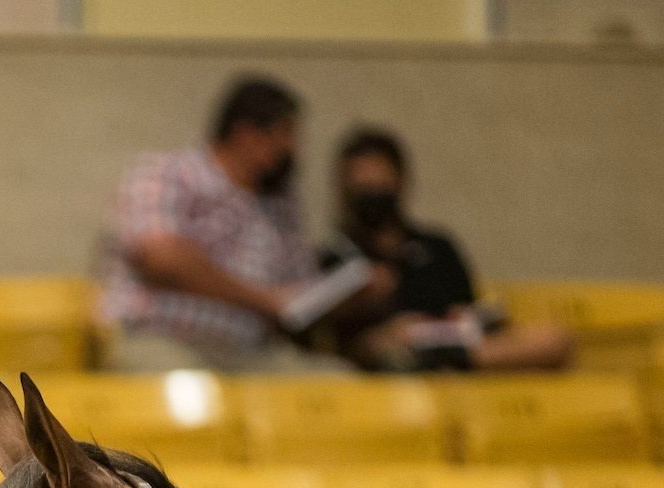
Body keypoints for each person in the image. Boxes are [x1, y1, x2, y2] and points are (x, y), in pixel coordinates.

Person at [96, 75, 384, 374]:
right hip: (161, 342)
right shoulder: (166, 174)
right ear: (245, 134)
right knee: (191, 403)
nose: (292, 150)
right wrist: (264, 300)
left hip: (251, 356)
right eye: (284, 134)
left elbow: (295, 301)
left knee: (338, 385)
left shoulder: (280, 208)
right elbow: (159, 257)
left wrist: (347, 295)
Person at [325, 127, 573, 373]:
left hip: (455, 344)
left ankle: (445, 361)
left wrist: (459, 321)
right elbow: (334, 338)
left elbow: (468, 308)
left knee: (553, 339)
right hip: (387, 350)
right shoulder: (336, 257)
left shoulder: (437, 246)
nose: (372, 196)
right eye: (363, 187)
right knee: (387, 342)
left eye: (379, 185)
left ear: (399, 182)